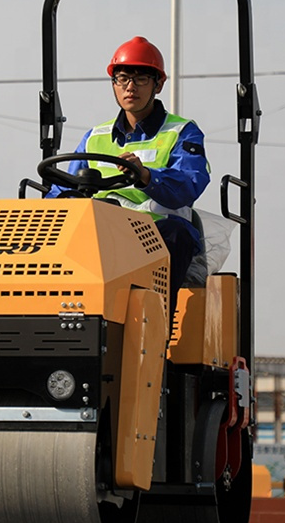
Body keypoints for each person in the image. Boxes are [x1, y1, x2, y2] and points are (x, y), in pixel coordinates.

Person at [46, 36, 210, 324]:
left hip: (157, 234)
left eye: (141, 78)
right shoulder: (95, 136)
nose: (130, 87)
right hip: (103, 232)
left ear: (157, 85)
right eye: (122, 79)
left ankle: (155, 328)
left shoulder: (182, 131)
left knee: (177, 234)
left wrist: (146, 176)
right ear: (114, 85)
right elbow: (65, 187)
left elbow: (189, 183)